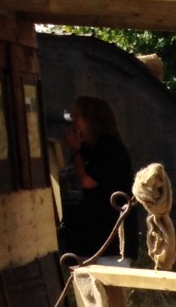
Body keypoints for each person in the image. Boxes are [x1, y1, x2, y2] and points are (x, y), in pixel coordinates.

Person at [58, 96, 139, 261]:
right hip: (88, 241)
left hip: (109, 242)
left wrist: (76, 152)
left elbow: (87, 181)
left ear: (91, 120)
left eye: (77, 116)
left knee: (109, 285)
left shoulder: (109, 147)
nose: (73, 120)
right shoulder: (89, 149)